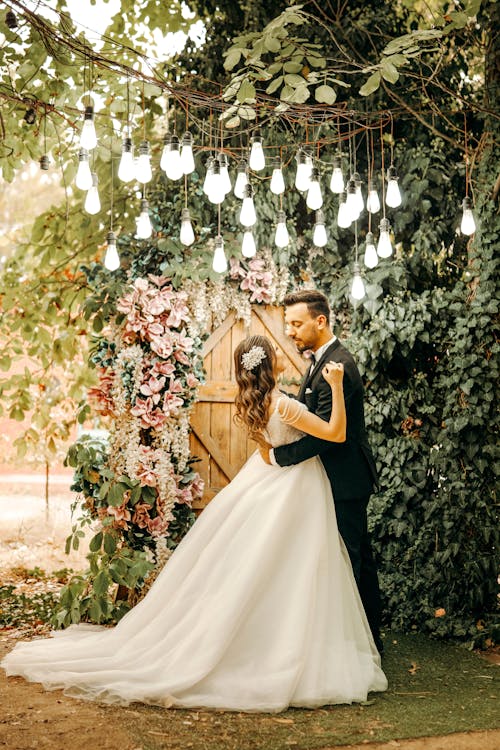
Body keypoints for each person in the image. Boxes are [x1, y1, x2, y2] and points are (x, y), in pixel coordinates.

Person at [1, 335, 386, 711]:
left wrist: (275, 454)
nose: (282, 350)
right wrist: (335, 387)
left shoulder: (256, 402)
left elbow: (267, 448)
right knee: (298, 567)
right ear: (270, 363)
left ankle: (274, 642)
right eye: (274, 351)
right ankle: (291, 647)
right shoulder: (284, 405)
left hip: (274, 482)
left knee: (274, 567)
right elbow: (335, 432)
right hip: (297, 489)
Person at [260, 290, 383, 654]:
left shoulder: (339, 365)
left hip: (345, 479)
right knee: (355, 559)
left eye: (297, 324)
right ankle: (366, 640)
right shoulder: (320, 360)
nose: (291, 331)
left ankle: (360, 647)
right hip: (336, 478)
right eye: (288, 325)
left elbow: (328, 437)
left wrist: (281, 457)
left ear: (321, 321)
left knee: (350, 561)